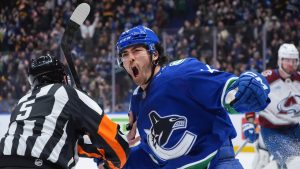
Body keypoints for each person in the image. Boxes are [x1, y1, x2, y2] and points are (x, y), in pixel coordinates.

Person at [95, 25, 270, 169]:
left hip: (214, 163)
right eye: (125, 54)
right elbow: (154, 154)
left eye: (137, 50)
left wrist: (243, 90)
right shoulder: (137, 100)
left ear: (154, 54)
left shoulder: (181, 74)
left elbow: (228, 91)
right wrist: (118, 161)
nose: (130, 58)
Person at [0, 54, 129, 169]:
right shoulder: (68, 93)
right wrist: (109, 166)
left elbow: (59, 140)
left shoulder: (22, 101)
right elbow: (118, 146)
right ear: (62, 77)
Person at [243, 43, 300, 169]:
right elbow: (251, 99)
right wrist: (249, 122)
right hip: (272, 131)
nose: (291, 64)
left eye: (294, 60)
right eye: (287, 60)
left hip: (295, 129)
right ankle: (264, 148)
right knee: (293, 162)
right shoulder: (267, 79)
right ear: (280, 60)